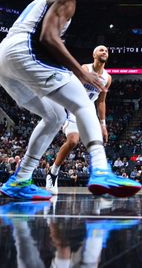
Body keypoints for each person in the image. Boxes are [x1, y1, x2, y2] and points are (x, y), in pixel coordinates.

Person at [0, 0, 141, 200]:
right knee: (83, 101)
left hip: (1, 60)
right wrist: (80, 73)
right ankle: (101, 170)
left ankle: (20, 180)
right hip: (22, 51)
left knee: (55, 117)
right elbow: (48, 38)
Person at [46, 45, 112, 195]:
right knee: (73, 141)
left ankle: (100, 180)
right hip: (73, 107)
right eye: (101, 50)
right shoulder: (85, 69)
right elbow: (72, 89)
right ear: (94, 54)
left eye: (106, 51)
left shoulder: (107, 78)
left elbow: (101, 101)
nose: (104, 52)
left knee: (98, 144)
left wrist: (103, 124)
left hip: (88, 111)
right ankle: (53, 172)